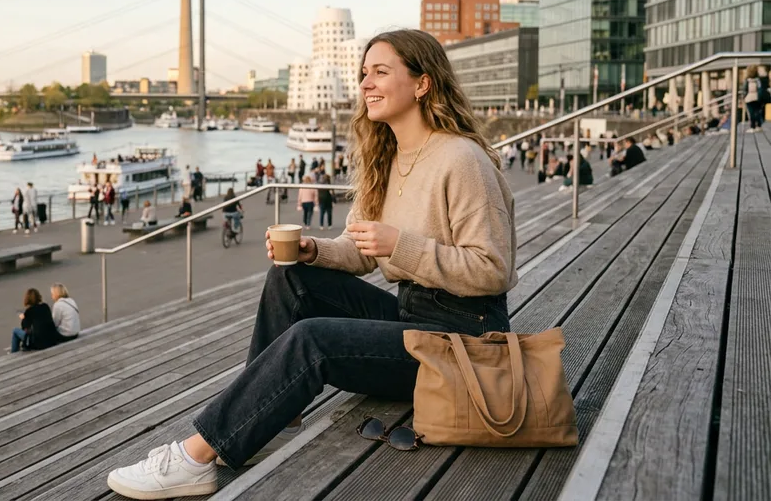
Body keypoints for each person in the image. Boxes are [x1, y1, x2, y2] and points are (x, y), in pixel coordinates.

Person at [105, 28, 516, 499]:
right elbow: (363, 250)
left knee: (312, 338)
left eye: (381, 72)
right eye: (364, 73)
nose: (365, 84)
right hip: (411, 317)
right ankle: (270, 422)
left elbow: (492, 269)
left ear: (422, 84)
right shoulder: (387, 157)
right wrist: (314, 250)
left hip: (464, 342)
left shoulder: (461, 159)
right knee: (291, 276)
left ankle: (196, 457)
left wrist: (401, 245)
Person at [10, 287, 59, 353]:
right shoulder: (45, 306)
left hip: (39, 344)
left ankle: (13, 353)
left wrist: (23, 318)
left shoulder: (29, 311)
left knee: (15, 331)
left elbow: (25, 327)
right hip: (52, 340)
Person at [744, 64, 765, 133]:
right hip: (757, 98)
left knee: (751, 113)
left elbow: (745, 89)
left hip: (749, 98)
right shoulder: (758, 80)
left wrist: (744, 96)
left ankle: (752, 126)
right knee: (757, 112)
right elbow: (760, 89)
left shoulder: (747, 80)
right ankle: (759, 126)